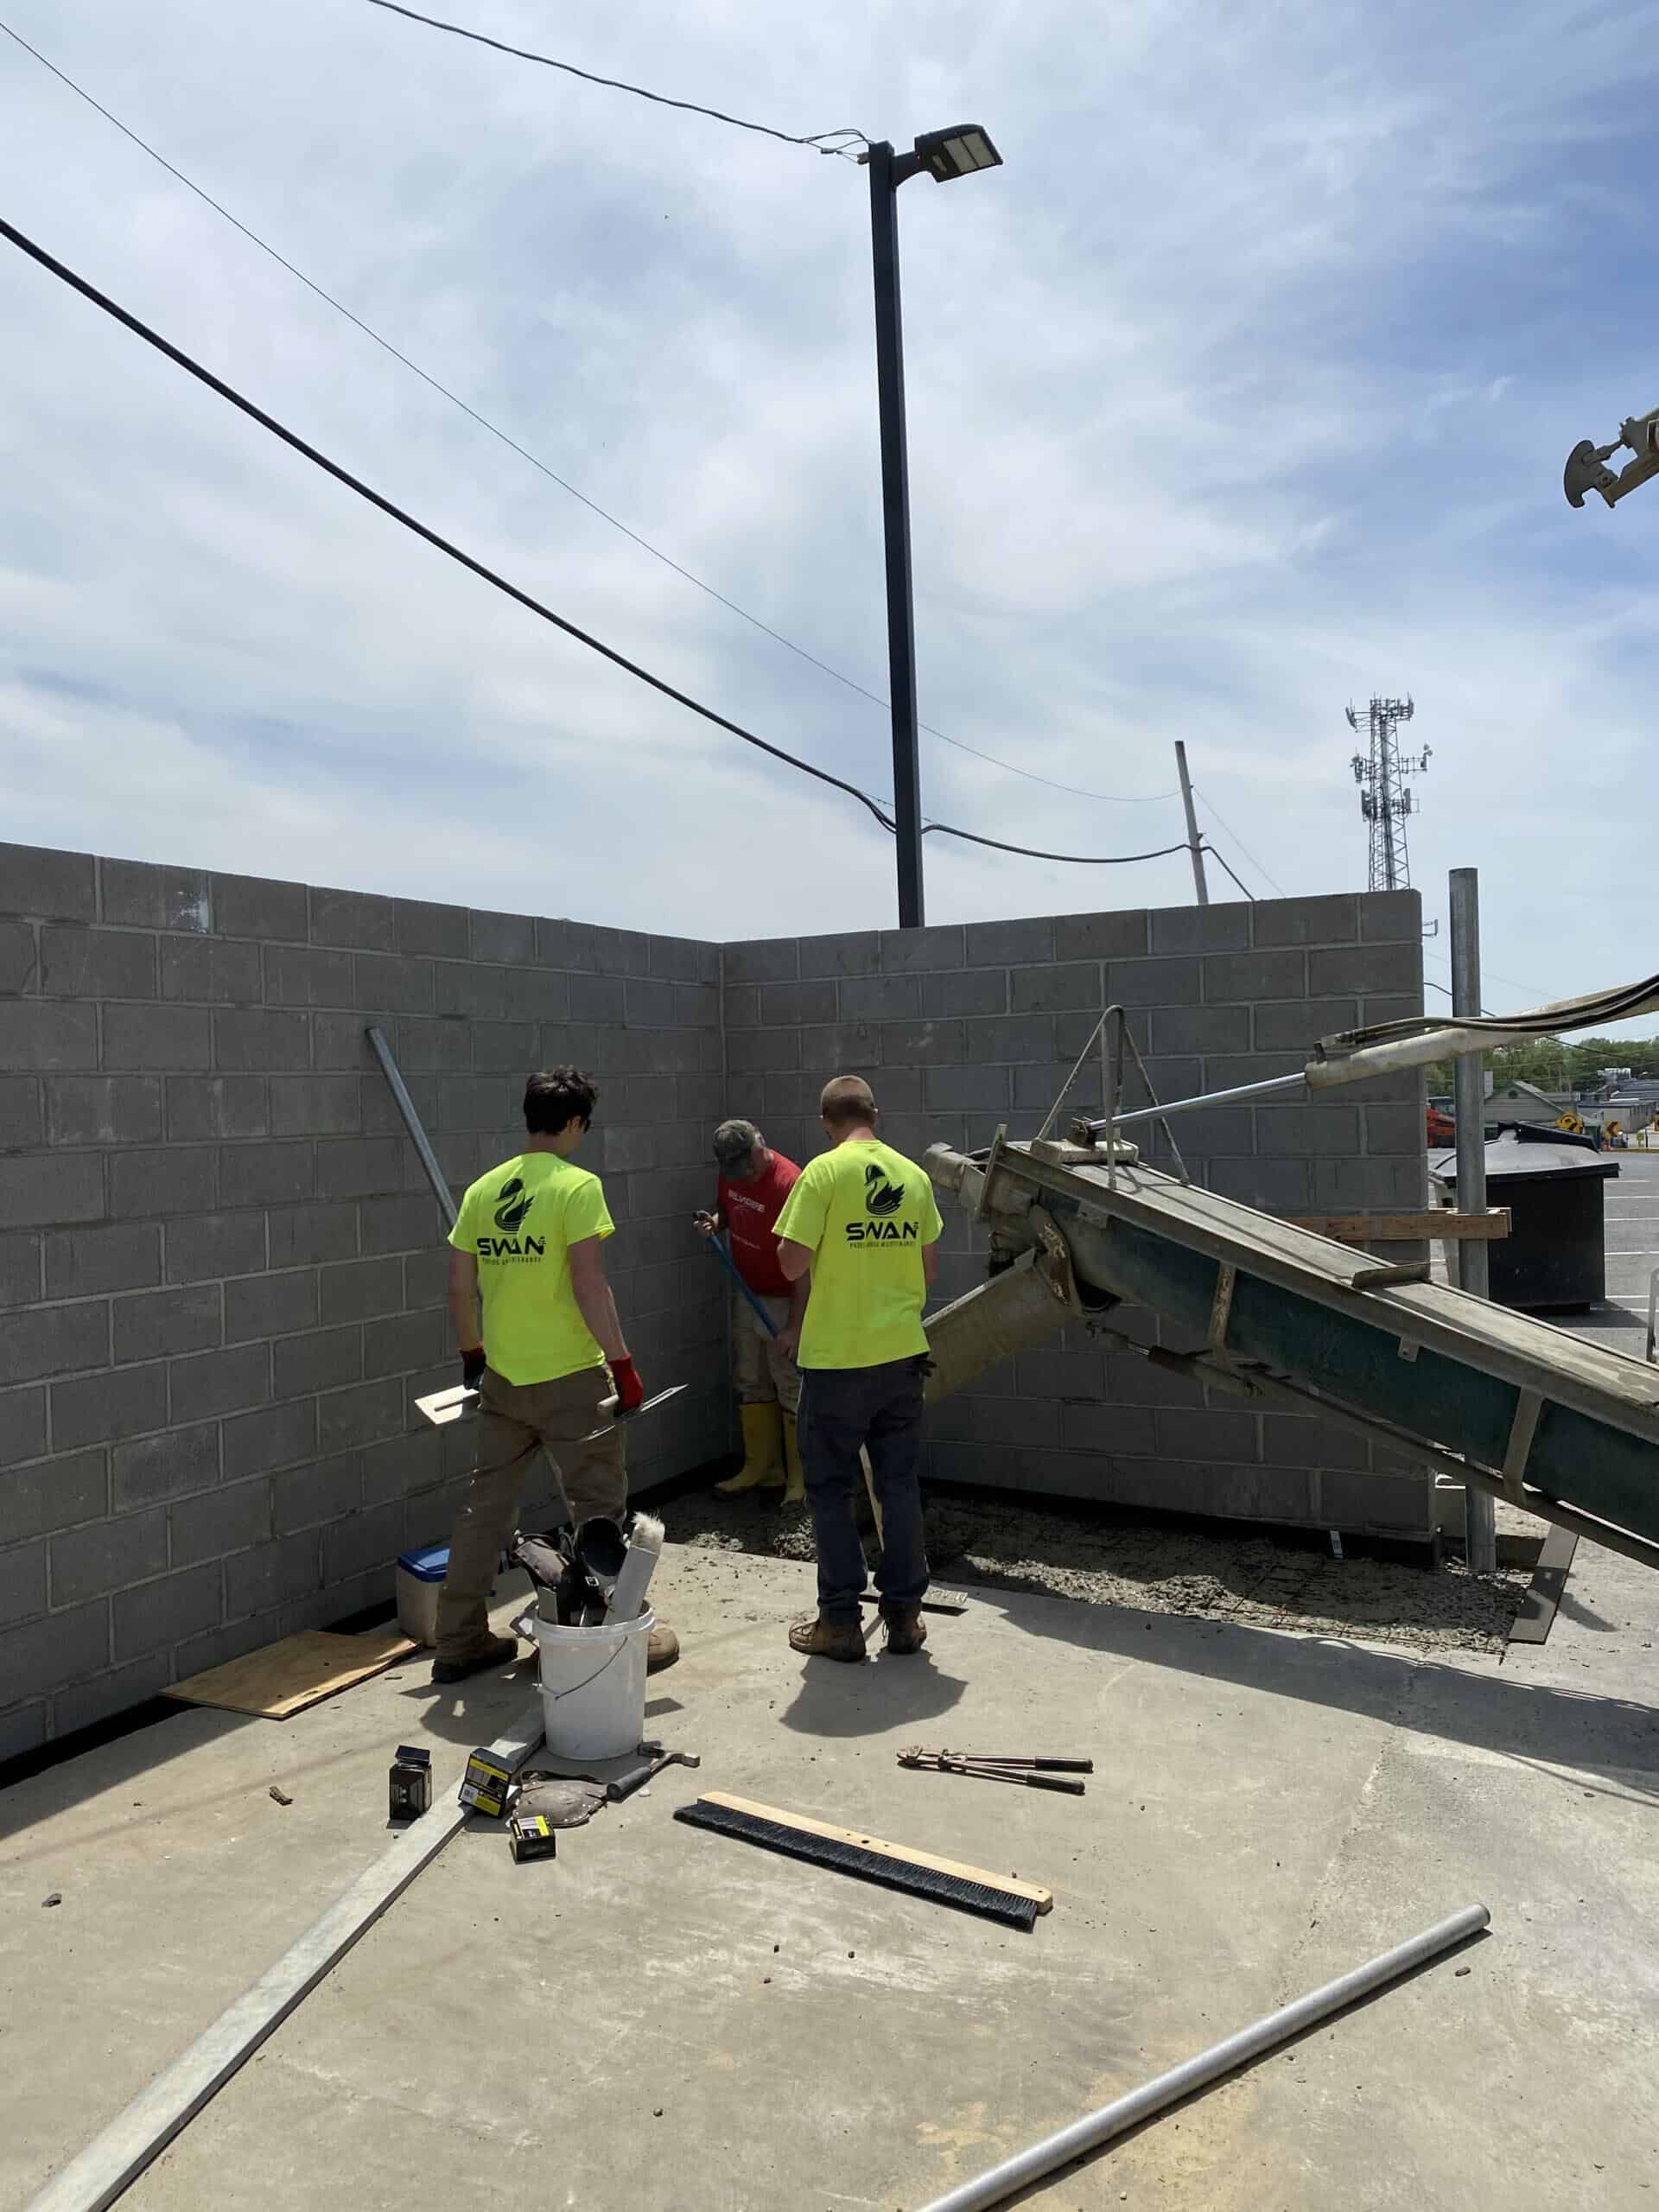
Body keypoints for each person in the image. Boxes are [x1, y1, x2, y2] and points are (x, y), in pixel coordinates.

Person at [435, 1065, 677, 1683]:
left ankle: (458, 1640)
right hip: (573, 1381)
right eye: (583, 1126)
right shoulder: (577, 1186)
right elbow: (589, 1283)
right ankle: (609, 1642)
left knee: (483, 1510)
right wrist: (622, 1366)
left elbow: (460, 1287)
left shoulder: (484, 1190)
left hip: (504, 1381)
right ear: (573, 1122)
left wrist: (472, 1355)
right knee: (598, 1511)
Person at [772, 1075, 944, 1662]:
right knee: (898, 1486)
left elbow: (791, 1264)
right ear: (877, 1113)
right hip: (900, 1358)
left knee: (828, 1490)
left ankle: (840, 1623)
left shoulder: (821, 1173)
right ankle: (905, 1618)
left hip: (837, 1362)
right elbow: (928, 1272)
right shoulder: (913, 1176)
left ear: (826, 1120)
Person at [695, 1118, 808, 1505]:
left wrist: (795, 1327)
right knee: (751, 1378)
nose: (743, 1177)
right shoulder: (731, 1172)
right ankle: (763, 1468)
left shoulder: (789, 1183)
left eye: (748, 1167)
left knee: (789, 1383)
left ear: (760, 1145)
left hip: (784, 1298)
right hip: (748, 1292)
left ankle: (800, 1479)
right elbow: (727, 1208)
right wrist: (716, 1221)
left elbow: (806, 1264)